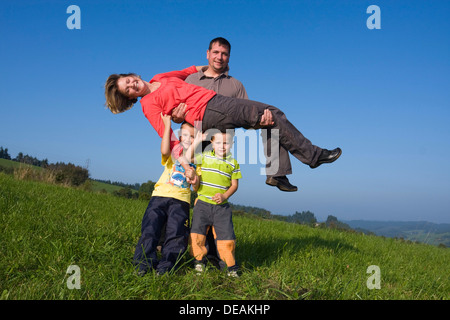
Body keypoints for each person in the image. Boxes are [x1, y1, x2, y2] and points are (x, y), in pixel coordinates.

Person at [104, 66, 341, 187]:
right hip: (209, 109)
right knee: (273, 113)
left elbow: (191, 70)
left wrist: (214, 65)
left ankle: (278, 174)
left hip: (214, 104)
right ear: (131, 98)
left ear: (132, 74)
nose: (133, 85)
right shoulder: (148, 104)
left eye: (129, 81)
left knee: (269, 119)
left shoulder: (160, 78)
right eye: (129, 90)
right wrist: (185, 164)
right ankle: (313, 156)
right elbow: (166, 136)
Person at [132, 115, 200, 276]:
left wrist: (194, 178)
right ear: (179, 136)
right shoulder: (175, 153)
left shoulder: (199, 160)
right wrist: (167, 124)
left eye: (192, 136)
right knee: (150, 229)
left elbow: (196, 187)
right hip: (160, 196)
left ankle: (167, 267)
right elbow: (164, 149)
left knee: (176, 234)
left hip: (181, 201)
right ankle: (143, 263)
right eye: (184, 135)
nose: (188, 139)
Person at [189, 130, 242, 277]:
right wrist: (197, 141)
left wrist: (224, 195)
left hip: (222, 208)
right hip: (202, 204)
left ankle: (230, 267)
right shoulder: (204, 157)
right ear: (212, 143)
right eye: (218, 142)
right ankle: (199, 262)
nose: (222, 146)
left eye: (226, 143)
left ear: (232, 144)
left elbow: (234, 185)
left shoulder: (233, 163)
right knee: (197, 235)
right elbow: (189, 157)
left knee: (227, 238)